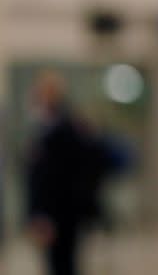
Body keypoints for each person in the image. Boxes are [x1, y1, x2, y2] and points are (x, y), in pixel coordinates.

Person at [25, 71, 112, 275]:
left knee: (63, 262)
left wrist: (45, 213)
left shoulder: (64, 130)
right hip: (55, 211)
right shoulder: (47, 127)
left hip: (61, 213)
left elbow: (57, 176)